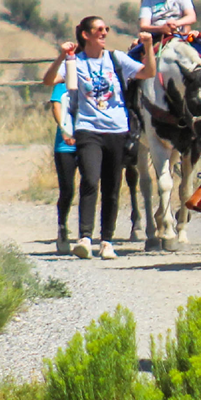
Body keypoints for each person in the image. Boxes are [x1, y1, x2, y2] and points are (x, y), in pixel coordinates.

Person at [53, 16, 155, 260]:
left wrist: (149, 46)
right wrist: (61, 56)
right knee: (90, 179)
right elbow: (49, 80)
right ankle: (85, 238)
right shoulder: (75, 62)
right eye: (99, 29)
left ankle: (107, 241)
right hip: (88, 129)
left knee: (112, 186)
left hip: (117, 130)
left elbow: (149, 72)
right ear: (86, 35)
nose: (104, 33)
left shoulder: (116, 59)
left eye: (106, 28)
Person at [41, 43, 81, 254]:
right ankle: (62, 227)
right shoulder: (62, 83)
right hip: (65, 144)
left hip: (87, 140)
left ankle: (86, 232)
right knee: (67, 189)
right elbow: (56, 106)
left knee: (90, 186)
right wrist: (65, 130)